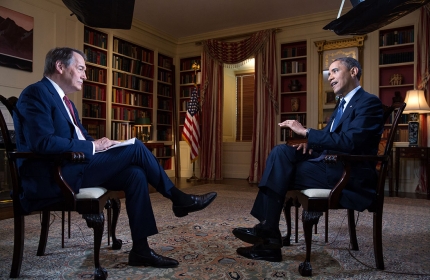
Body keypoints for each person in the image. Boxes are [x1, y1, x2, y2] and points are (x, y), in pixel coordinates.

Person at [13, 47, 217, 268]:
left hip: (77, 166)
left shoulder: (67, 103)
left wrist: (102, 145)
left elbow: (79, 137)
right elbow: (42, 142)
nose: (85, 75)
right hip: (56, 174)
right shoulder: (36, 93)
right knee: (136, 147)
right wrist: (93, 145)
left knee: (135, 174)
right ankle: (178, 199)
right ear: (60, 67)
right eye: (81, 68)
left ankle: (141, 250)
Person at [233, 57, 384, 262]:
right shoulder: (341, 105)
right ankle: (268, 232)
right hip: (329, 165)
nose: (329, 77)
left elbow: (351, 142)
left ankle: (268, 236)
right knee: (280, 152)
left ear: (353, 71)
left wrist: (307, 132)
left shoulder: (369, 102)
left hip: (349, 173)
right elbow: (330, 136)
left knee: (279, 171)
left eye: (334, 71)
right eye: (328, 73)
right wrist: (308, 141)